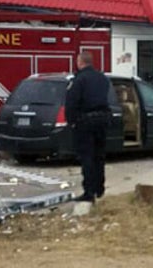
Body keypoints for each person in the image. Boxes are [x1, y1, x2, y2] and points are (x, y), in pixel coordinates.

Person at [65, 51, 112, 203]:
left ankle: (89, 192)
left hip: (85, 122)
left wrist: (71, 121)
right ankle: (99, 188)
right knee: (99, 156)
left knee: (87, 157)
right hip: (102, 120)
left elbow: (72, 102)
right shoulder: (102, 78)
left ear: (80, 62)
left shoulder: (79, 80)